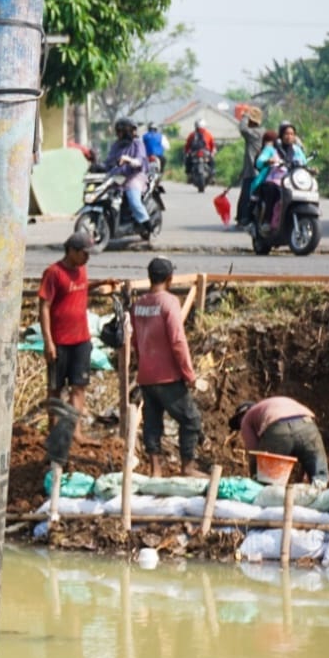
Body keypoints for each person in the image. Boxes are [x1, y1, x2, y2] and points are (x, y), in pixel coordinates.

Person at [130, 256, 204, 478]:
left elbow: (135, 341)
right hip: (168, 376)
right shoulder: (169, 302)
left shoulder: (139, 305)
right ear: (170, 278)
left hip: (146, 376)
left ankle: (155, 469)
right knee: (191, 419)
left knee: (152, 423)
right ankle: (188, 466)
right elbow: (178, 341)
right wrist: (189, 374)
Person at [39, 232, 96, 467]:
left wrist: (101, 285)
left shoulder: (82, 270)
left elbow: (80, 289)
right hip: (60, 341)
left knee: (78, 387)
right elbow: (44, 307)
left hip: (81, 339)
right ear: (72, 250)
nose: (87, 258)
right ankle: (53, 434)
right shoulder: (53, 273)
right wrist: (48, 341)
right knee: (55, 389)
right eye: (84, 253)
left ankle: (76, 431)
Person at [230, 397, 328, 486]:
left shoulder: (246, 418)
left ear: (241, 416)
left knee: (265, 480)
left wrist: (255, 479)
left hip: (278, 427)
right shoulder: (270, 405)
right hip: (307, 424)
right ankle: (321, 490)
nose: (240, 427)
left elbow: (254, 454)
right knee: (319, 478)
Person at [252, 122, 307, 232]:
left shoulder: (296, 149)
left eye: (292, 134)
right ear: (281, 135)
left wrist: (310, 168)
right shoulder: (272, 149)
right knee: (271, 189)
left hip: (293, 180)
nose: (289, 136)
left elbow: (304, 162)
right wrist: (268, 160)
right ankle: (267, 221)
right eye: (286, 134)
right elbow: (259, 161)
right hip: (275, 180)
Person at [106, 118, 154, 236]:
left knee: (133, 200)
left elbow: (139, 161)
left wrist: (129, 160)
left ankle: (149, 227)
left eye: (120, 131)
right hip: (119, 176)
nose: (118, 134)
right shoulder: (116, 145)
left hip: (135, 175)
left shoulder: (137, 144)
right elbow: (109, 160)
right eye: (117, 131)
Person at [235, 106, 265, 227]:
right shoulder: (262, 132)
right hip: (258, 169)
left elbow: (242, 128)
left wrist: (245, 115)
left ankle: (244, 218)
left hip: (253, 171)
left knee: (247, 196)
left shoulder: (254, 133)